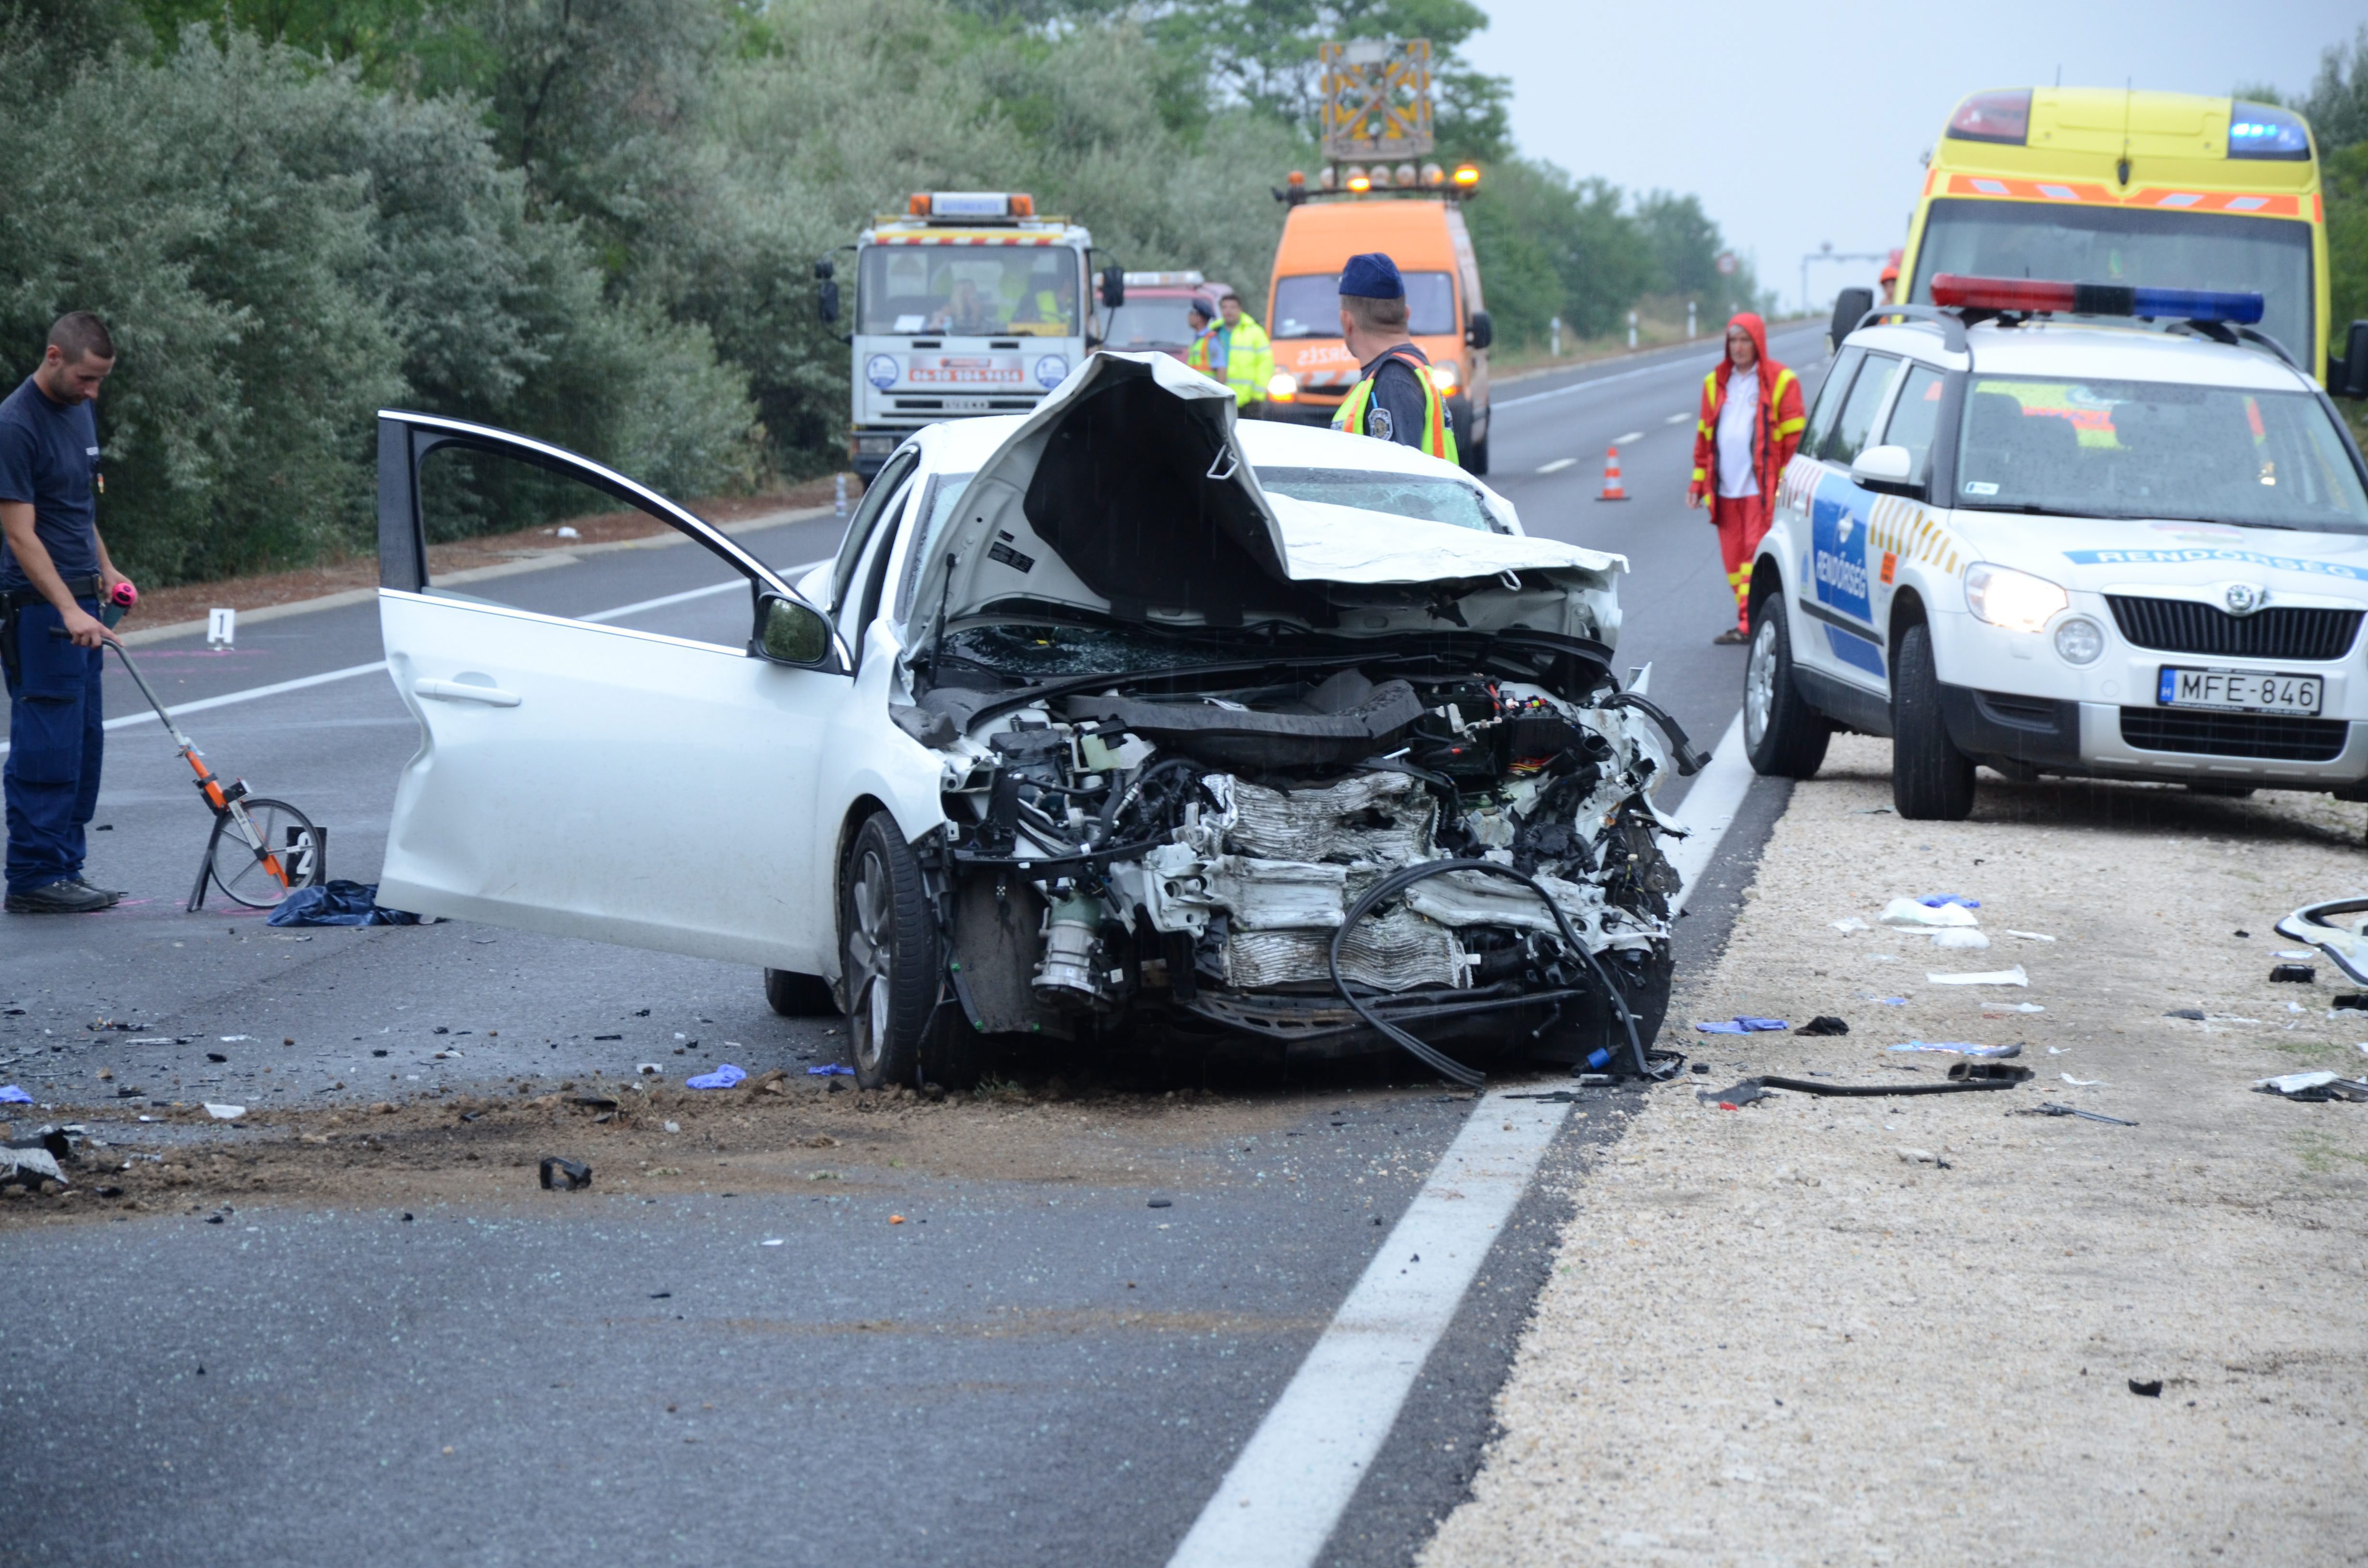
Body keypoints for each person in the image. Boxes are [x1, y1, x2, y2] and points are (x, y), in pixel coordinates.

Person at [2, 311, 128, 913]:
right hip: (38, 607)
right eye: (85, 378)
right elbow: (21, 533)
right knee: (47, 739)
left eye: (100, 381)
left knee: (83, 740)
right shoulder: (14, 424)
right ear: (54, 356)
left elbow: (78, 507)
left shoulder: (79, 409)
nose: (92, 392)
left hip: (82, 597)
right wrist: (65, 607)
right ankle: (32, 875)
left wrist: (108, 570)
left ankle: (65, 866)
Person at [1688, 312, 1804, 645]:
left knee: (1755, 556)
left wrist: (1789, 484)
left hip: (1762, 489)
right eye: (1733, 341)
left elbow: (1795, 440)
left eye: (1744, 340)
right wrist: (1698, 483)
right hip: (1724, 489)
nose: (1738, 348)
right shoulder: (1715, 383)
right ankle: (1749, 619)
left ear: (1758, 343)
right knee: (1733, 560)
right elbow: (1705, 437)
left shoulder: (1781, 381)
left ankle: (1751, 622)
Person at [1330, 253, 1456, 460]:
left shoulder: (1393, 381)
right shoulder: (1406, 373)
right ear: (1407, 314)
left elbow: (1399, 484)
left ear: (1347, 321)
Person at [1214, 291, 1274, 419]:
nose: (1228, 311)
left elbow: (1265, 364)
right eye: (1224, 307)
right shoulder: (1214, 332)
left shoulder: (1255, 332)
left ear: (1240, 309)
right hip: (1218, 398)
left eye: (1233, 307)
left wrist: (1257, 396)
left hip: (1247, 401)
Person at [1183, 297, 1223, 378]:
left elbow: (1221, 368)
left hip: (1207, 389)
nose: (1189, 316)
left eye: (1191, 313)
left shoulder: (1211, 340)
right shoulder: (1198, 339)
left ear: (1200, 318)